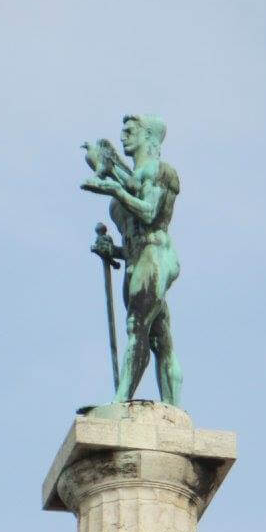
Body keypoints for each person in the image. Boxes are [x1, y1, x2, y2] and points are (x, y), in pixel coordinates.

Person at [81, 114, 183, 406]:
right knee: (159, 339)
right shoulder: (130, 180)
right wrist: (111, 250)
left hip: (156, 255)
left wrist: (114, 189)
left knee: (136, 325)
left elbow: (150, 214)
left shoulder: (161, 171)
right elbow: (132, 240)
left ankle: (121, 400)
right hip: (136, 260)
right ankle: (173, 410)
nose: (122, 136)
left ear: (148, 136)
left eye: (129, 131)